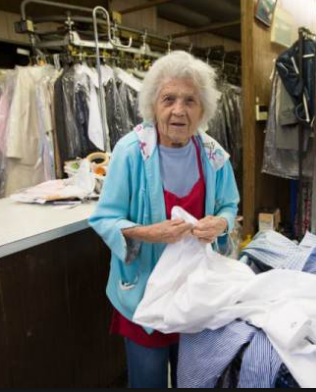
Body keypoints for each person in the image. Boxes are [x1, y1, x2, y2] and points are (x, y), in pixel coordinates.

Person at [89, 51, 240, 388]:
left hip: (195, 293)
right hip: (145, 294)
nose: (178, 110)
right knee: (148, 381)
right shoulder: (130, 152)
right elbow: (104, 218)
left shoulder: (214, 154)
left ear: (203, 110)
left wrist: (221, 224)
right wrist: (148, 233)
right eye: (168, 98)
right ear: (152, 105)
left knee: (193, 377)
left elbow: (229, 205)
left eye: (190, 100)